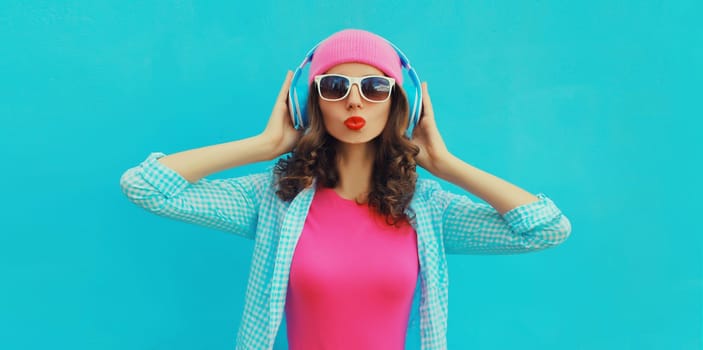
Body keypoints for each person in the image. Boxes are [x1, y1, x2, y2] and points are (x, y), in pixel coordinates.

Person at [120, 29, 572, 350]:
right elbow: (147, 187)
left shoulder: (427, 209)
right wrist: (263, 146)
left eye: (375, 87)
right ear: (310, 101)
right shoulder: (273, 199)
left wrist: (446, 165)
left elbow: (545, 229)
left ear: (399, 103)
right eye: (335, 87)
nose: (355, 101)